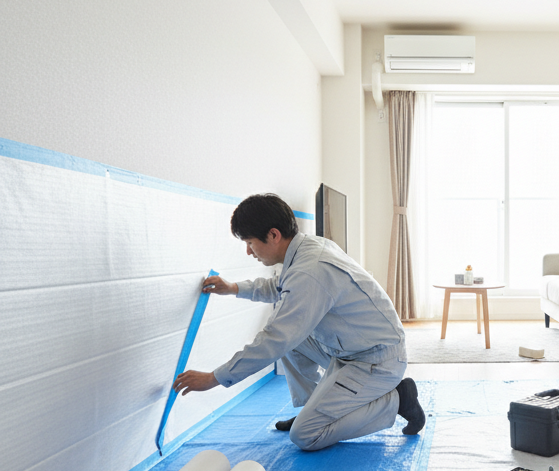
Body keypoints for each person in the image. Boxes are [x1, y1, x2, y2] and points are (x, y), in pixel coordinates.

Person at [172, 193, 425, 450]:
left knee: (305, 435)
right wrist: (234, 287)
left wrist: (214, 378)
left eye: (250, 242)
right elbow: (282, 286)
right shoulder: (307, 249)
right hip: (353, 349)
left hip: (377, 361)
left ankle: (397, 400)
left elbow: (273, 341)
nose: (248, 251)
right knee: (292, 338)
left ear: (273, 235)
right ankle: (313, 407)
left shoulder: (310, 269)